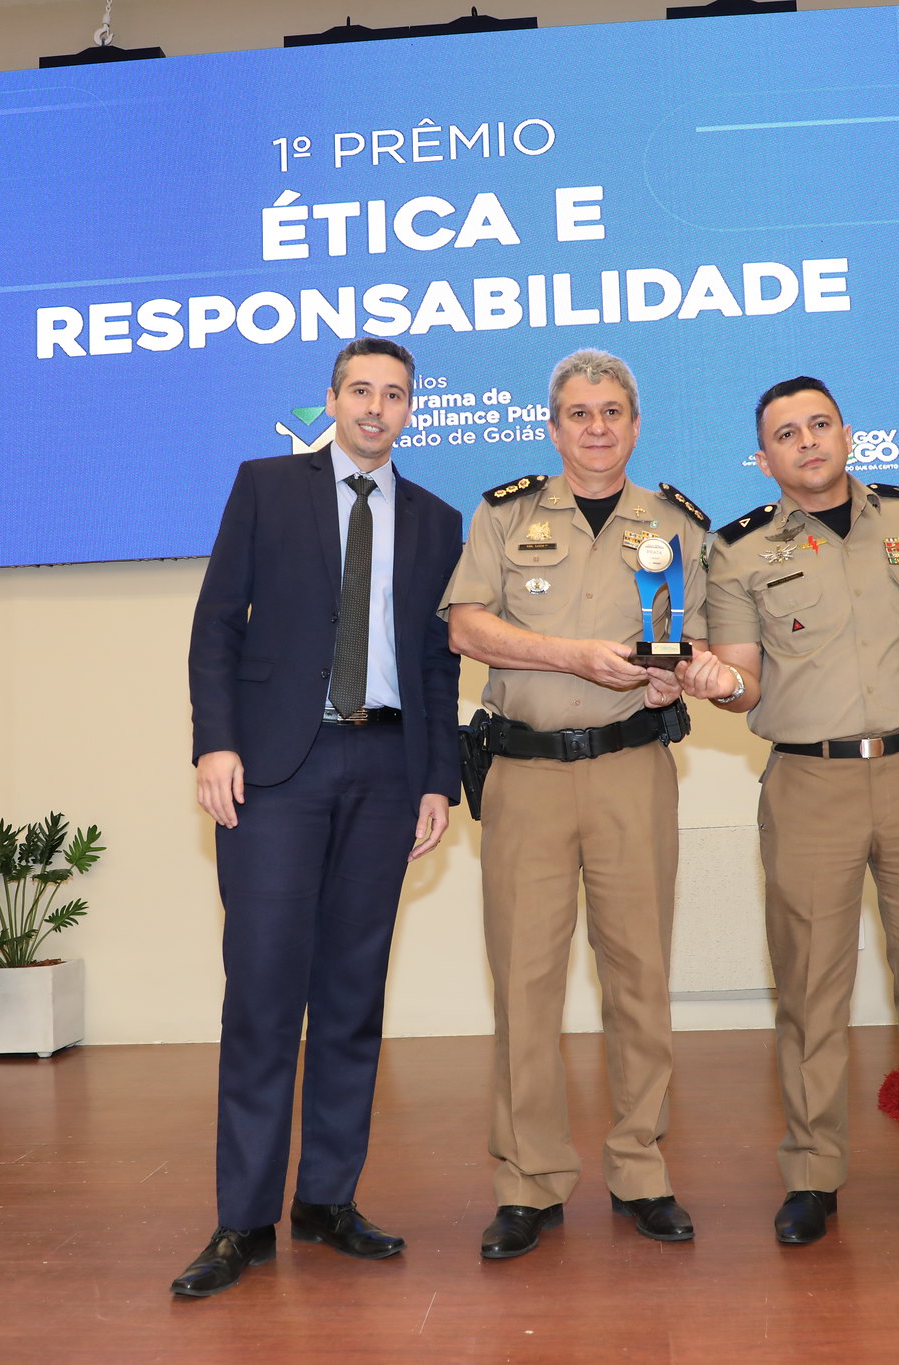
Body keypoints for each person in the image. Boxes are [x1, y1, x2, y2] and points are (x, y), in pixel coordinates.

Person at [674, 377, 899, 1247]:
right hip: (808, 784)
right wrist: (716, 682)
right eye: (787, 433)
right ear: (764, 458)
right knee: (810, 989)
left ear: (847, 433)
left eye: (819, 424)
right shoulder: (739, 549)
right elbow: (743, 680)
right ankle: (813, 1175)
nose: (808, 441)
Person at [176, 337, 463, 1297]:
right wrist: (216, 743)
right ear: (332, 399)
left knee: (351, 997)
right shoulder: (266, 485)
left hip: (387, 769)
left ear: (411, 409)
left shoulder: (437, 520)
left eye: (395, 394)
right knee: (263, 995)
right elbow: (217, 624)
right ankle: (242, 1220)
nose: (377, 407)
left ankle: (327, 1199)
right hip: (275, 773)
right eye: (361, 390)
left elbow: (438, 663)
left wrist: (438, 779)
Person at [441, 349, 707, 1259]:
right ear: (552, 427)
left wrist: (678, 679)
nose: (597, 427)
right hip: (526, 774)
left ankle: (641, 1169)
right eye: (580, 413)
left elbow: (696, 641)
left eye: (613, 411)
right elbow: (466, 625)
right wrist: (572, 656)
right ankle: (529, 1180)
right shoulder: (505, 514)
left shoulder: (677, 523)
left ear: (635, 423)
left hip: (633, 768)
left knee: (640, 976)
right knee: (524, 981)